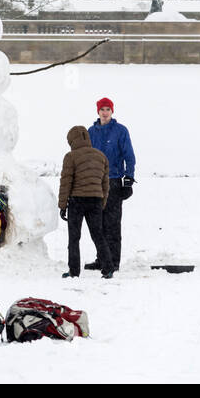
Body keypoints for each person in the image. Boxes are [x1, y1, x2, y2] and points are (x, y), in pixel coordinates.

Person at [87, 97, 136, 272]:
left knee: (112, 224)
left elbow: (129, 155)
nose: (105, 112)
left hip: (113, 182)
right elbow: (85, 157)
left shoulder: (120, 131)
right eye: (102, 109)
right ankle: (101, 260)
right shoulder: (91, 132)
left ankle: (113, 262)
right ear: (98, 111)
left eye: (108, 109)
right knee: (97, 224)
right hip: (94, 183)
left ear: (112, 111)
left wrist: (128, 178)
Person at [59, 125, 112, 279]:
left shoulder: (71, 156)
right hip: (95, 200)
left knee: (74, 238)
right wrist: (102, 202)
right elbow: (105, 184)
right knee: (98, 235)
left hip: (77, 200)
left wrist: (63, 205)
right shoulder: (101, 156)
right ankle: (108, 268)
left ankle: (74, 272)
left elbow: (66, 182)